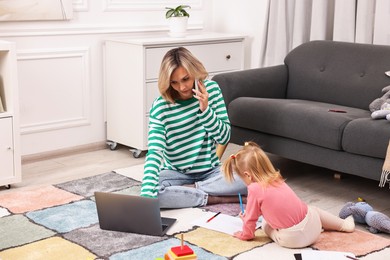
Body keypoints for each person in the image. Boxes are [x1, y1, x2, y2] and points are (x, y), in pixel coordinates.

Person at [140, 47, 247, 208]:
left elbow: (224, 138)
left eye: (186, 79)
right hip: (176, 174)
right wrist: (146, 197)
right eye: (174, 82)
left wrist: (205, 110)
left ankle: (190, 192)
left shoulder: (212, 90)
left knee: (249, 179)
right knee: (151, 190)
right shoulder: (161, 107)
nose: (182, 87)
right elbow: (155, 152)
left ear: (195, 72)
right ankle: (216, 198)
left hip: (210, 172)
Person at [222, 141, 355, 248]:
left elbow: (251, 222)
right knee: (313, 210)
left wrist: (244, 233)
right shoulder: (276, 179)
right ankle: (343, 225)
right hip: (314, 227)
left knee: (265, 225)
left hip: (292, 240)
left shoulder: (254, 189)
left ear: (248, 175)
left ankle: (281, 234)